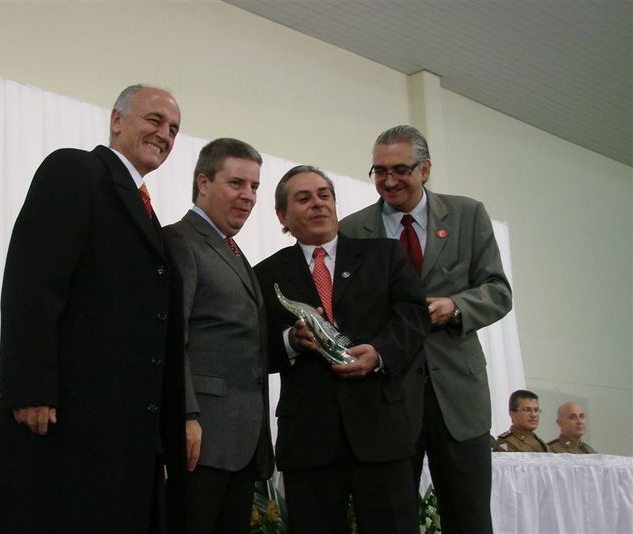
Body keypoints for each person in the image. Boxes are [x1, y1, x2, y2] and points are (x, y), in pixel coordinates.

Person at [0, 85, 186, 533]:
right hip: (69, 415)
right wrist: (31, 387)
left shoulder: (147, 211)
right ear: (116, 120)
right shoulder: (75, 170)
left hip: (121, 426)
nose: (165, 134)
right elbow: (33, 284)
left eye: (173, 129)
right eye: (154, 120)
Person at [340, 125, 512, 533]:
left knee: (469, 518)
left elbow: (498, 291)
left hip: (457, 398)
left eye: (400, 169)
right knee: (388, 520)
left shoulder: (467, 215)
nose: (389, 181)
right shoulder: (352, 230)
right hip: (387, 396)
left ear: (426, 169)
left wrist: (456, 307)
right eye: (380, 171)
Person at [254, 166, 430, 534]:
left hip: (381, 432)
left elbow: (414, 317)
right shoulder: (265, 274)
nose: (318, 204)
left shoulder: (384, 255)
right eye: (304, 198)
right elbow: (252, 347)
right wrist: (290, 342)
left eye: (324, 195)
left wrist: (379, 353)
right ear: (282, 216)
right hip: (309, 440)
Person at [164, 138, 274, 533]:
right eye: (236, 183)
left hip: (239, 441)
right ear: (203, 183)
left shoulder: (233, 251)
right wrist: (185, 415)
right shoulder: (181, 240)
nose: (248, 196)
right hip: (201, 438)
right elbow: (172, 337)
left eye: (254, 186)